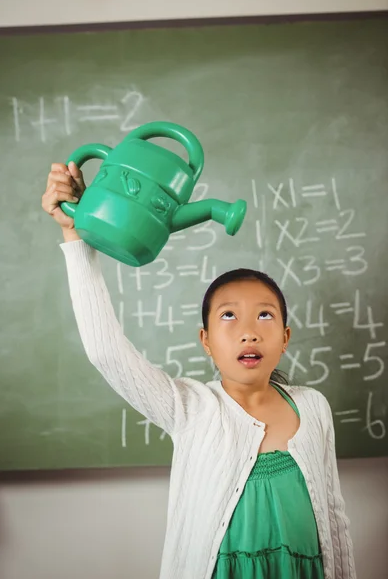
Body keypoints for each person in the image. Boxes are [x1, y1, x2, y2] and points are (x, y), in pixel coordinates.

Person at [42, 162, 356, 579]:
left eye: (265, 316)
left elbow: (334, 517)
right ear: (205, 340)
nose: (248, 332)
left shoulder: (313, 408)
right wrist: (74, 234)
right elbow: (106, 352)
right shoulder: (191, 409)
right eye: (229, 317)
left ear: (286, 336)